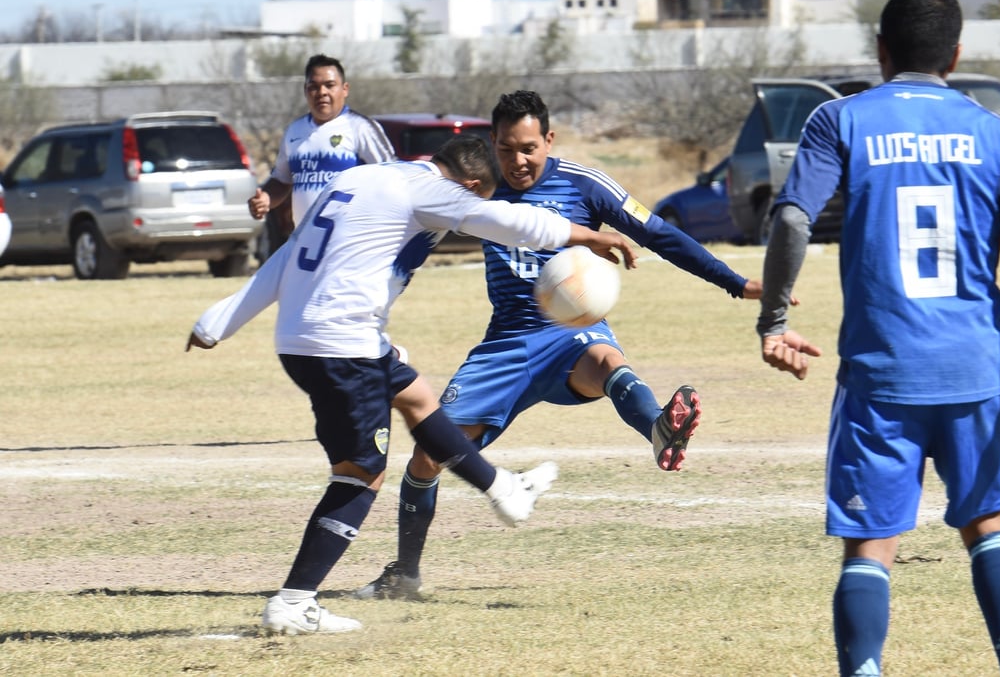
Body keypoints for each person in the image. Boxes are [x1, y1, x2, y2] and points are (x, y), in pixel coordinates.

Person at [187, 136, 637, 635]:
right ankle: (294, 603)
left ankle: (501, 487)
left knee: (417, 397)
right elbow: (511, 223)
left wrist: (217, 322)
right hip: (342, 345)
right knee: (360, 475)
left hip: (308, 339)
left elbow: (287, 256)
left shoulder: (362, 178)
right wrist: (585, 237)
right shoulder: (426, 189)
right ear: (469, 185)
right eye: (476, 198)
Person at [357, 89, 764, 601]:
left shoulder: (585, 184)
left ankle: (660, 428)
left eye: (528, 147)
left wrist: (734, 281)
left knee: (606, 359)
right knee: (428, 456)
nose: (518, 161)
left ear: (548, 139)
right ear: (493, 145)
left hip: (572, 333)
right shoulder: (476, 192)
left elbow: (659, 233)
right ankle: (405, 576)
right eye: (506, 149)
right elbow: (409, 232)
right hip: (505, 343)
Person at [756, 0, 1000, 676]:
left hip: (882, 372)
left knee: (871, 542)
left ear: (880, 51)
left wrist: (775, 316)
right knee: (986, 524)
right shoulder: (997, 132)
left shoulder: (839, 119)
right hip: (973, 368)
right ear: (957, 53)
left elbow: (790, 218)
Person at [249, 53, 396, 251]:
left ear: (345, 89)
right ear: (305, 90)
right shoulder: (294, 131)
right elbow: (282, 180)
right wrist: (266, 199)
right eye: (314, 86)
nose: (321, 92)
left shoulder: (360, 127)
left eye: (329, 85)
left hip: (350, 244)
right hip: (305, 244)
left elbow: (394, 177)